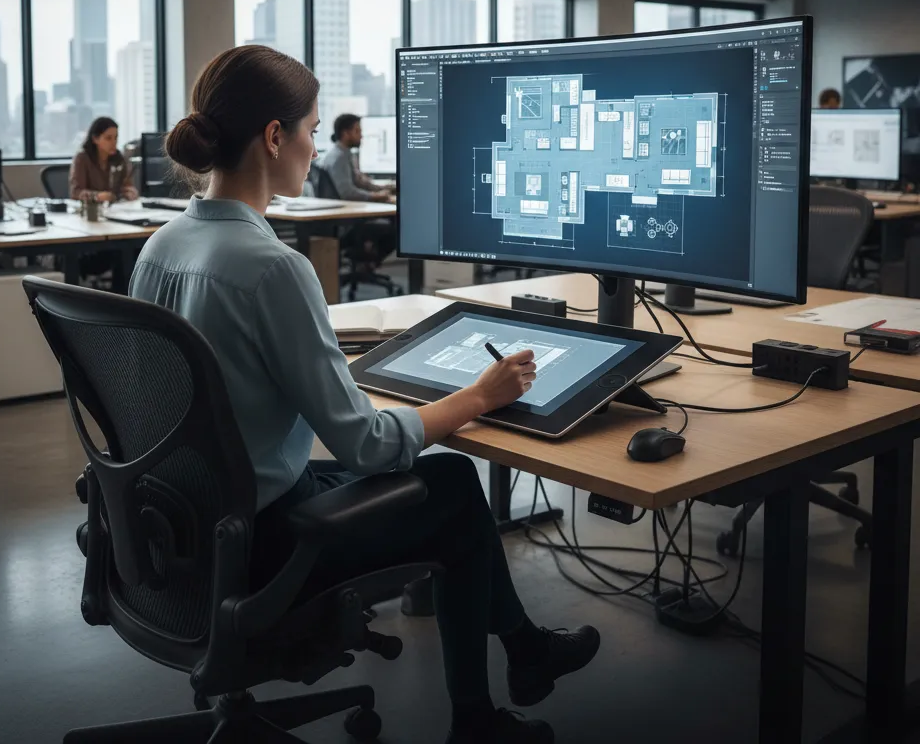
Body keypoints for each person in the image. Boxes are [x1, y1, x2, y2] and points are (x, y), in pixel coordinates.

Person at [129, 45, 599, 744]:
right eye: (314, 130)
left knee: (439, 482)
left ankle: (525, 655)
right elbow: (367, 444)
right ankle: (481, 715)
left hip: (177, 526)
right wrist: (480, 395)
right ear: (274, 137)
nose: (316, 146)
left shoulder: (163, 244)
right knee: (451, 487)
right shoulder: (271, 268)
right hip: (260, 541)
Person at [318, 113, 393, 202]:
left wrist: (383, 188)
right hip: (345, 210)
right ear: (345, 133)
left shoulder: (344, 154)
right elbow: (347, 193)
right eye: (357, 131)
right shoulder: (339, 158)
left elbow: (360, 183)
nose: (361, 136)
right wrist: (375, 196)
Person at [69, 117, 139, 203]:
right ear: (95, 139)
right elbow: (76, 192)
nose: (114, 142)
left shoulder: (119, 158)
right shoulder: (82, 158)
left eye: (116, 138)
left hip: (115, 210)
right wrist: (96, 196)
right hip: (91, 210)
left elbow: (126, 185)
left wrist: (130, 191)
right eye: (108, 138)